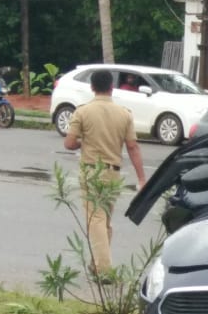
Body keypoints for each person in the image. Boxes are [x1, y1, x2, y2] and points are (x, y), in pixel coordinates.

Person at [63, 69, 147, 280]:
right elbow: (133, 147)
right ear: (112, 87)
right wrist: (141, 178)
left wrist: (84, 143)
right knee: (105, 221)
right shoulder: (124, 113)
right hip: (113, 174)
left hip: (92, 171)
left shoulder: (82, 112)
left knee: (96, 220)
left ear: (92, 87)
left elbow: (69, 143)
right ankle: (96, 264)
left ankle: (104, 270)